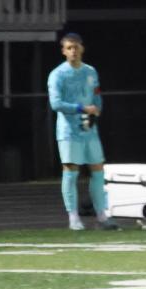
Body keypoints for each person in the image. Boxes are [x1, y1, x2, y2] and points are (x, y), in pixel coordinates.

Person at [46, 32, 119, 231]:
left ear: (82, 48)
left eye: (76, 47)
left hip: (89, 129)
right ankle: (73, 216)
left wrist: (96, 111)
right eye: (69, 48)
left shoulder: (90, 72)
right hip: (69, 130)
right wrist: (81, 108)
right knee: (71, 171)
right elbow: (56, 103)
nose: (73, 51)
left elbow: (97, 96)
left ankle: (102, 214)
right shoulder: (57, 75)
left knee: (98, 170)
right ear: (63, 51)